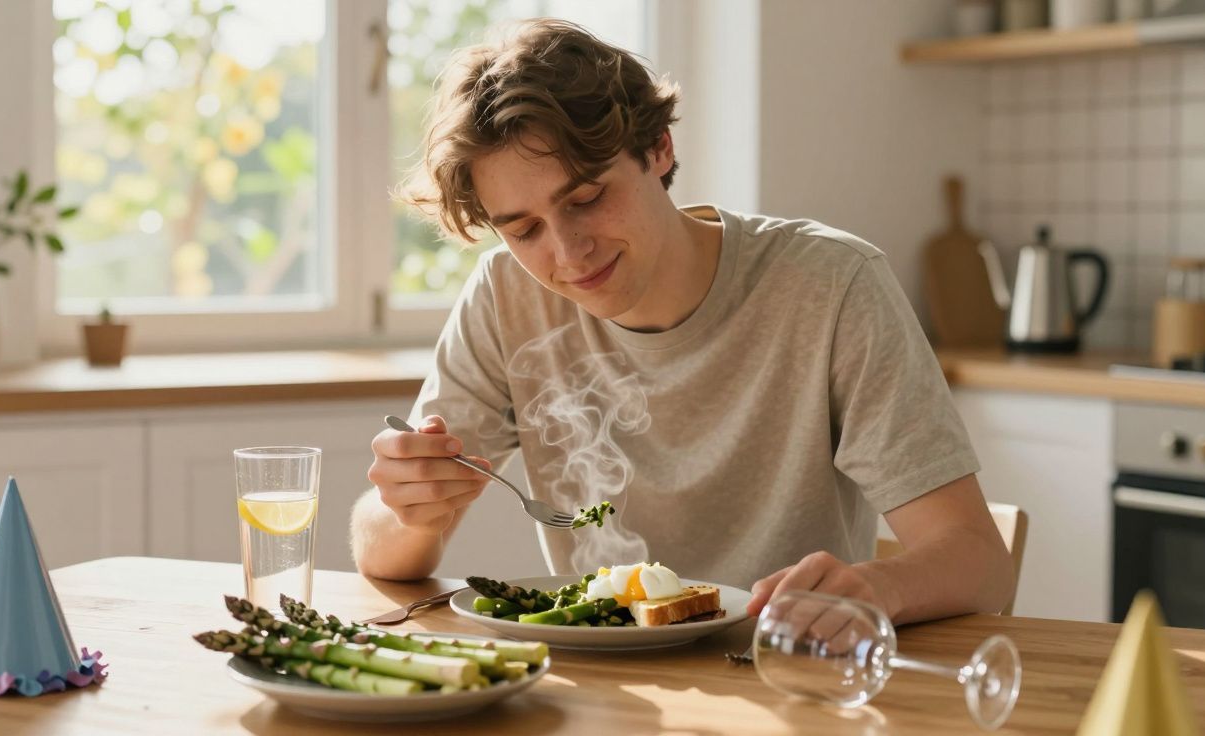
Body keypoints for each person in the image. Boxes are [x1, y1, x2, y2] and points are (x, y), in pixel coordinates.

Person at [351, 18, 1015, 624]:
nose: (568, 254)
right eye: (524, 230)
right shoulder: (505, 298)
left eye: (587, 198)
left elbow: (980, 564)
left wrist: (877, 588)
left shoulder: (831, 284)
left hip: (788, 670)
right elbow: (383, 554)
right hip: (608, 686)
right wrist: (409, 506)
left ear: (659, 148)